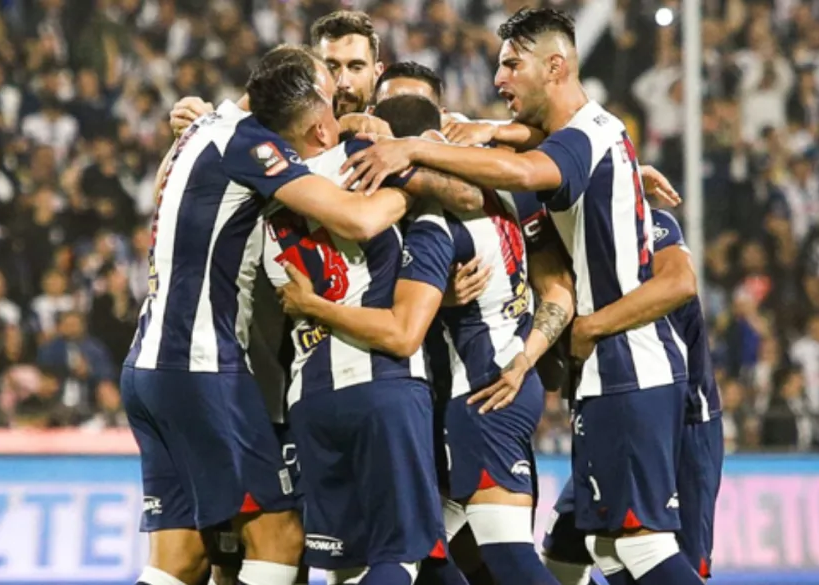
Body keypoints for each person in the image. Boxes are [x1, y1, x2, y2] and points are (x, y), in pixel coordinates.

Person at [338, 8, 700, 585]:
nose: (499, 79)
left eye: (511, 64)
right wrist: (488, 130)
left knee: (637, 547)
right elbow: (533, 149)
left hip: (623, 369)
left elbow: (530, 171)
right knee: (603, 551)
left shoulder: (567, 150)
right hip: (608, 372)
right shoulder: (604, 129)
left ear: (555, 65)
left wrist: (416, 151)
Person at [122, 44, 424, 585]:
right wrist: (409, 188)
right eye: (327, 93)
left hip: (148, 367)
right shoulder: (248, 144)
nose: (335, 102)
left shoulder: (204, 128)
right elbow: (356, 220)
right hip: (201, 363)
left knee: (181, 559)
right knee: (279, 536)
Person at [279, 94, 574, 585]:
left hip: (479, 392)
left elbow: (403, 329)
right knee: (431, 551)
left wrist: (314, 307)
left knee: (508, 558)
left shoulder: (435, 227)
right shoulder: (504, 193)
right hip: (503, 378)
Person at [544, 209, 724, 584]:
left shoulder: (646, 226)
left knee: (651, 553)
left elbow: (680, 283)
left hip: (681, 421)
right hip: (607, 414)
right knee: (571, 549)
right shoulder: (564, 239)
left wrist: (589, 327)